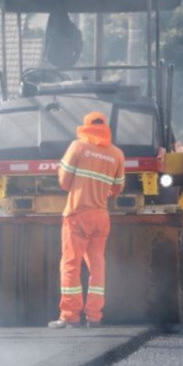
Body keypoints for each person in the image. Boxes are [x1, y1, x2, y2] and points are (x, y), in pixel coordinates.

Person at [51, 111, 125, 329]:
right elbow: (118, 187)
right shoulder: (117, 154)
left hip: (77, 214)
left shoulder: (78, 147)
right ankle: (94, 317)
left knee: (71, 264)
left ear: (86, 126)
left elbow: (64, 182)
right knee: (97, 265)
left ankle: (70, 316)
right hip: (101, 216)